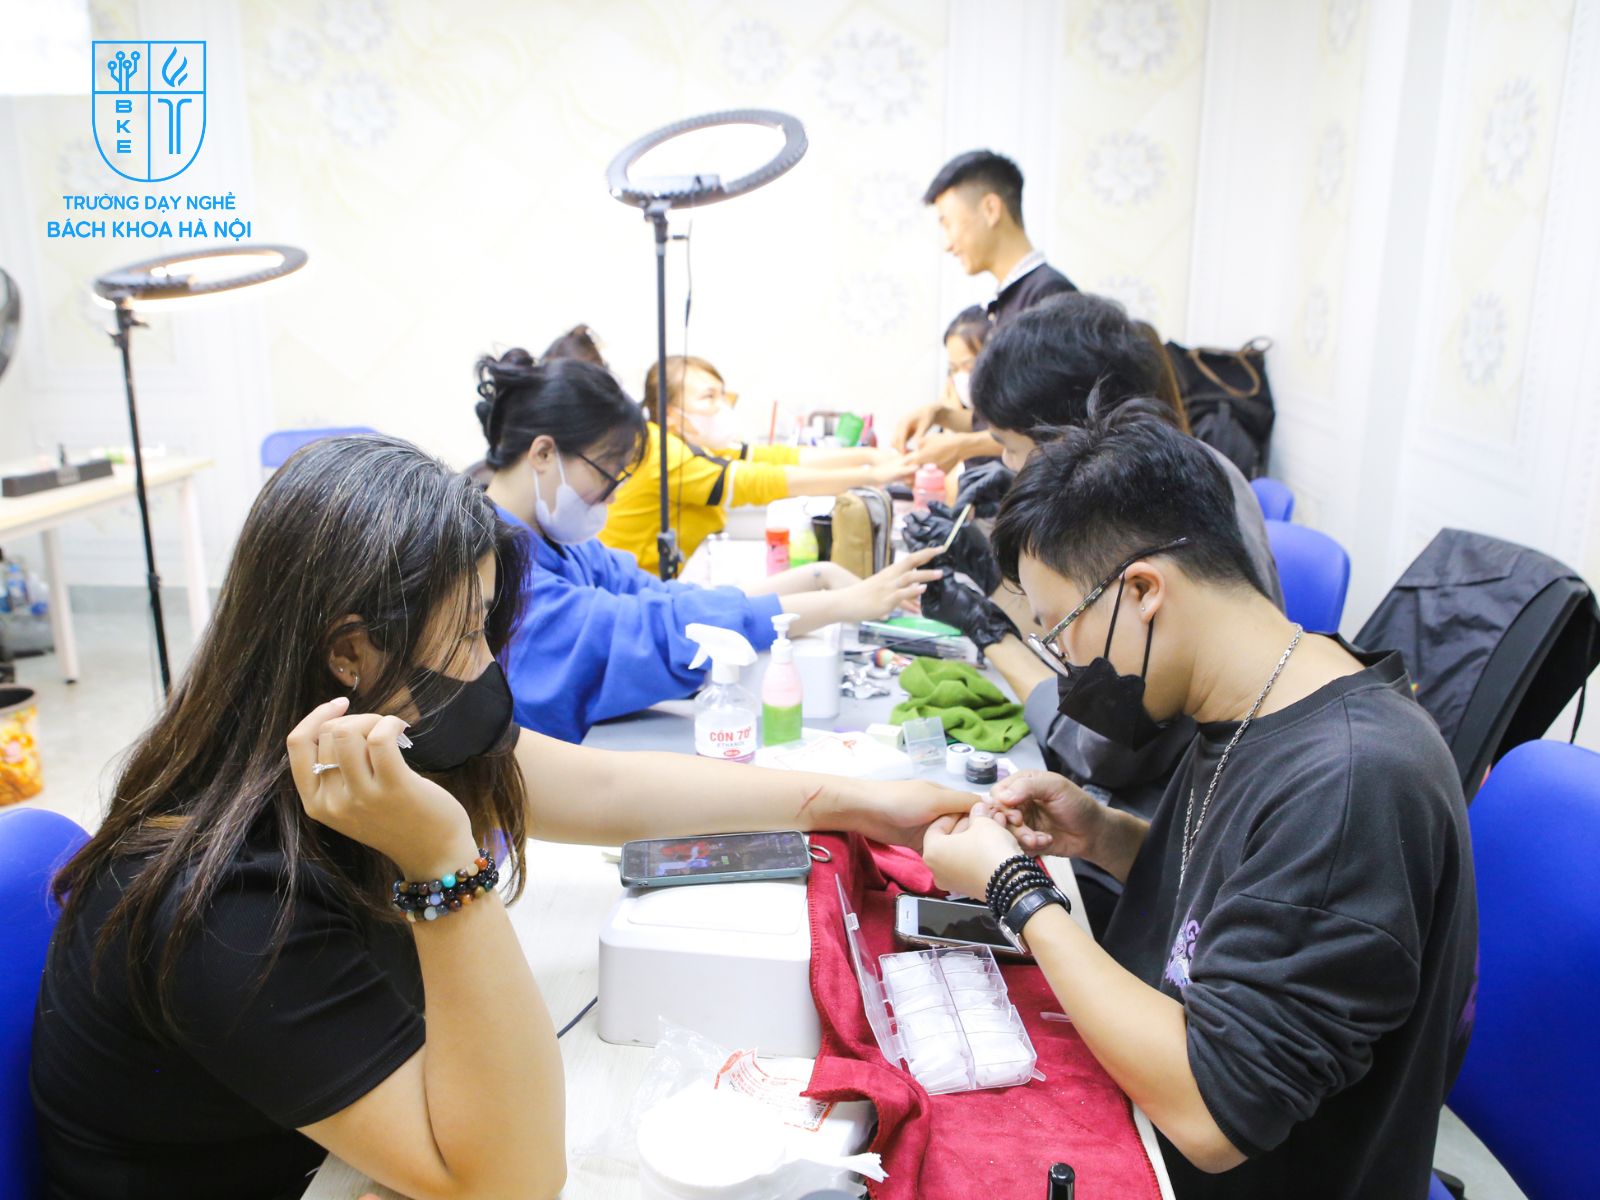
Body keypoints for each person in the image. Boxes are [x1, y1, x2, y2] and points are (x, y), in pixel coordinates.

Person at [31, 434, 970, 1200]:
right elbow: (511, 1180)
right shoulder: (227, 905)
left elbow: (607, 791)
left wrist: (860, 804)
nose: (487, 665)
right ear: (351, 653)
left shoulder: (380, 745)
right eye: (468, 629)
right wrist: (444, 862)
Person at [919, 407, 1477, 1199]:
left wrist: (1017, 892)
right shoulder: (1256, 692)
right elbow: (1246, 900)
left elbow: (1215, 1114)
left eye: (1062, 629)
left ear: (1144, 591)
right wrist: (1107, 836)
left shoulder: (1353, 782)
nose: (1065, 663)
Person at [904, 294, 1284, 823]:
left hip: (1163, 809)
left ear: (1074, 436)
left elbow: (1098, 746)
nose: (1008, 466)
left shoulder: (1139, 519)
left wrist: (991, 626)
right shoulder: (1192, 468)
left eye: (1010, 447)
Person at [476, 349, 941, 742]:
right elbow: (652, 631)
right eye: (607, 476)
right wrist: (839, 605)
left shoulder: (555, 544)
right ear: (543, 454)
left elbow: (667, 599)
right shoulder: (492, 572)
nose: (613, 497)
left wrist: (816, 579)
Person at [599, 354, 915, 575]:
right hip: (636, 586)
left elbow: (777, 458)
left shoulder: (693, 444)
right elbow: (761, 482)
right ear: (670, 413)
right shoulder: (665, 455)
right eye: (709, 398)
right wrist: (871, 476)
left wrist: (867, 457)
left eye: (723, 396)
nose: (722, 407)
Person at [893, 150, 1078, 472]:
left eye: (948, 223)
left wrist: (961, 446)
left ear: (991, 209)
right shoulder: (1012, 300)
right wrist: (941, 415)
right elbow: (1007, 422)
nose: (947, 243)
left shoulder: (1049, 298)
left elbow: (1053, 430)